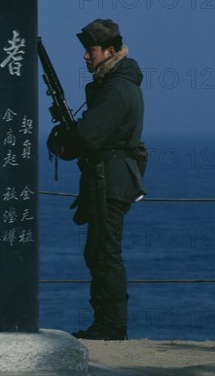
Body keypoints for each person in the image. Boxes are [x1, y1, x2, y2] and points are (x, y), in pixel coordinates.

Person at [48, 18, 146, 340]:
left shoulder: (117, 89)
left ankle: (112, 326)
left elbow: (89, 136)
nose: (85, 57)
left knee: (104, 253)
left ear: (111, 51)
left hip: (111, 180)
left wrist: (63, 139)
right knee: (99, 252)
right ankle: (106, 323)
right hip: (111, 177)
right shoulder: (117, 85)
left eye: (91, 50)